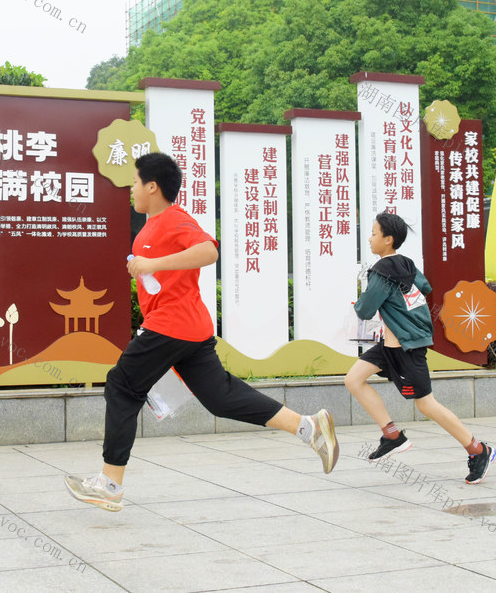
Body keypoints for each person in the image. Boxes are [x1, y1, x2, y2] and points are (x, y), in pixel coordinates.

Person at [66, 152, 340, 511]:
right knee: (220, 397)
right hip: (188, 328)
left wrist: (151, 264)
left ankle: (110, 483)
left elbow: (209, 251)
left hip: (172, 325)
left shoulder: (173, 219)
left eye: (135, 182)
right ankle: (309, 427)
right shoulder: (149, 228)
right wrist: (145, 271)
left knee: (121, 384)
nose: (131, 188)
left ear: (152, 186)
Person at [344, 212, 496, 485]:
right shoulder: (407, 264)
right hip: (390, 345)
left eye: (374, 233)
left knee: (426, 404)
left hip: (406, 347)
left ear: (388, 240)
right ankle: (392, 435)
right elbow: (424, 286)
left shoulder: (381, 271)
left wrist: (362, 303)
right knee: (354, 379)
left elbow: (365, 310)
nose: (369, 238)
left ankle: (478, 449)